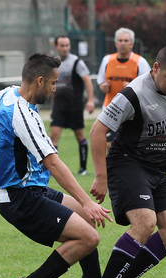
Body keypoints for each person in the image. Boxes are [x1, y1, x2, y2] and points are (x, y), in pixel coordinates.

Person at [0, 53, 135, 278]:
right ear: (39, 80)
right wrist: (87, 201)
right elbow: (54, 164)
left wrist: (3, 135)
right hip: (19, 197)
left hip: (33, 189)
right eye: (53, 83)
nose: (55, 89)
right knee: (89, 238)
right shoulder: (22, 114)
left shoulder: (6, 94)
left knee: (87, 222)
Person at [86, 45, 166, 278]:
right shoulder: (133, 94)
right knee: (145, 222)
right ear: (155, 68)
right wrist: (101, 177)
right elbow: (98, 131)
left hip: (158, 170)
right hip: (127, 163)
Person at [97, 27, 151, 147]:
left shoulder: (140, 62)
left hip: (132, 110)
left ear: (131, 44)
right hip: (110, 107)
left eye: (126, 41)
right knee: (109, 143)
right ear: (116, 43)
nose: (123, 43)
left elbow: (148, 86)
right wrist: (103, 87)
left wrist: (132, 87)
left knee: (130, 143)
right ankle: (110, 166)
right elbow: (101, 82)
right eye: (120, 40)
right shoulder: (107, 60)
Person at [50, 36, 95, 176]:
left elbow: (87, 80)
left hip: (74, 106)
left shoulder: (76, 62)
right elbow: (52, 86)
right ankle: (53, 169)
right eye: (62, 45)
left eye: (67, 45)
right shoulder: (53, 63)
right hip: (59, 106)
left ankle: (83, 168)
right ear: (56, 47)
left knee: (80, 135)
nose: (65, 48)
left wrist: (90, 100)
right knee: (53, 136)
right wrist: (52, 106)